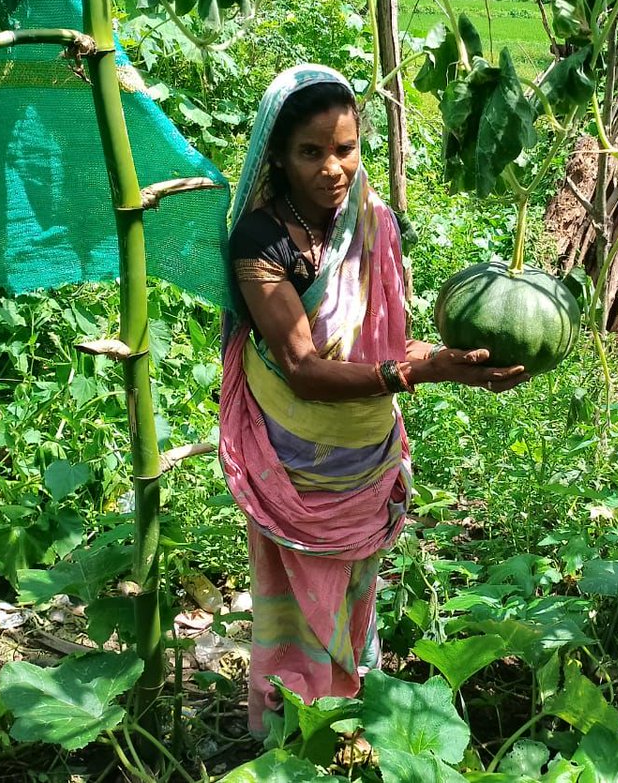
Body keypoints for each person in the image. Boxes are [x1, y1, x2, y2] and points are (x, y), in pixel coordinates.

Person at [218, 64, 527, 734]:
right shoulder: (260, 241)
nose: (333, 167)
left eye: (345, 148)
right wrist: (423, 373)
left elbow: (389, 348)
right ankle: (291, 738)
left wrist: (459, 365)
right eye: (311, 152)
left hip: (364, 453)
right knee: (294, 603)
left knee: (356, 597)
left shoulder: (371, 220)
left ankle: (351, 720)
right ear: (277, 153)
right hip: (294, 463)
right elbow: (302, 366)